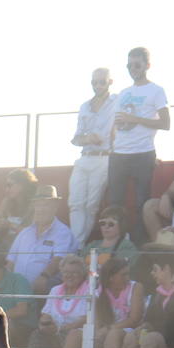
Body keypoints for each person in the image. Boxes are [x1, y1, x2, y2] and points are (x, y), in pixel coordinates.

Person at [105, 47, 169, 243]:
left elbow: (166, 123)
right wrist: (112, 146)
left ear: (147, 65)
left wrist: (135, 118)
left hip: (143, 153)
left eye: (137, 64)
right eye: (129, 65)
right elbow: (114, 124)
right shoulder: (123, 93)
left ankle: (138, 245)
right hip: (119, 155)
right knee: (114, 203)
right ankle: (114, 245)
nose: (133, 68)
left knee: (142, 203)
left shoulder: (156, 91)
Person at [67, 68, 117, 244]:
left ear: (110, 81)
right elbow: (75, 138)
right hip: (84, 156)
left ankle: (77, 245)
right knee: (75, 203)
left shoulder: (117, 101)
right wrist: (88, 138)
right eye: (94, 82)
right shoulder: (85, 106)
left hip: (104, 157)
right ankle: (76, 244)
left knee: (91, 205)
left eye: (102, 81)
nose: (97, 85)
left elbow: (129, 126)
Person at [7, 186, 77, 287]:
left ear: (55, 206)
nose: (41, 209)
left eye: (46, 205)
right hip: (17, 289)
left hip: (45, 288)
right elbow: (10, 261)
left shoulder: (63, 232)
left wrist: (44, 276)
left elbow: (58, 260)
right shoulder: (25, 233)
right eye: (38, 205)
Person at [30, 255, 92, 348]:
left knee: (70, 336)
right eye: (66, 272)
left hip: (76, 332)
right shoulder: (55, 290)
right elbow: (46, 314)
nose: (70, 276)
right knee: (38, 333)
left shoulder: (89, 291)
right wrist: (45, 324)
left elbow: (85, 319)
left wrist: (60, 329)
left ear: (82, 274)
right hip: (55, 330)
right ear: (61, 274)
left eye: (75, 273)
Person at [93, 256, 145, 348]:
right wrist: (99, 333)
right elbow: (98, 322)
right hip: (106, 329)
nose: (128, 278)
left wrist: (108, 329)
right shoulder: (98, 293)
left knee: (113, 334)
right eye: (123, 275)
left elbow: (134, 320)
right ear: (111, 277)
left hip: (131, 329)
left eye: (128, 274)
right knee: (76, 335)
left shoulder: (136, 287)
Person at [0, 169, 39, 249]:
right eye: (6, 186)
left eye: (10, 185)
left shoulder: (35, 206)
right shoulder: (6, 202)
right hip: (6, 245)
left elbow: (33, 234)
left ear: (23, 185)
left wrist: (9, 225)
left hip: (25, 247)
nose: (6, 190)